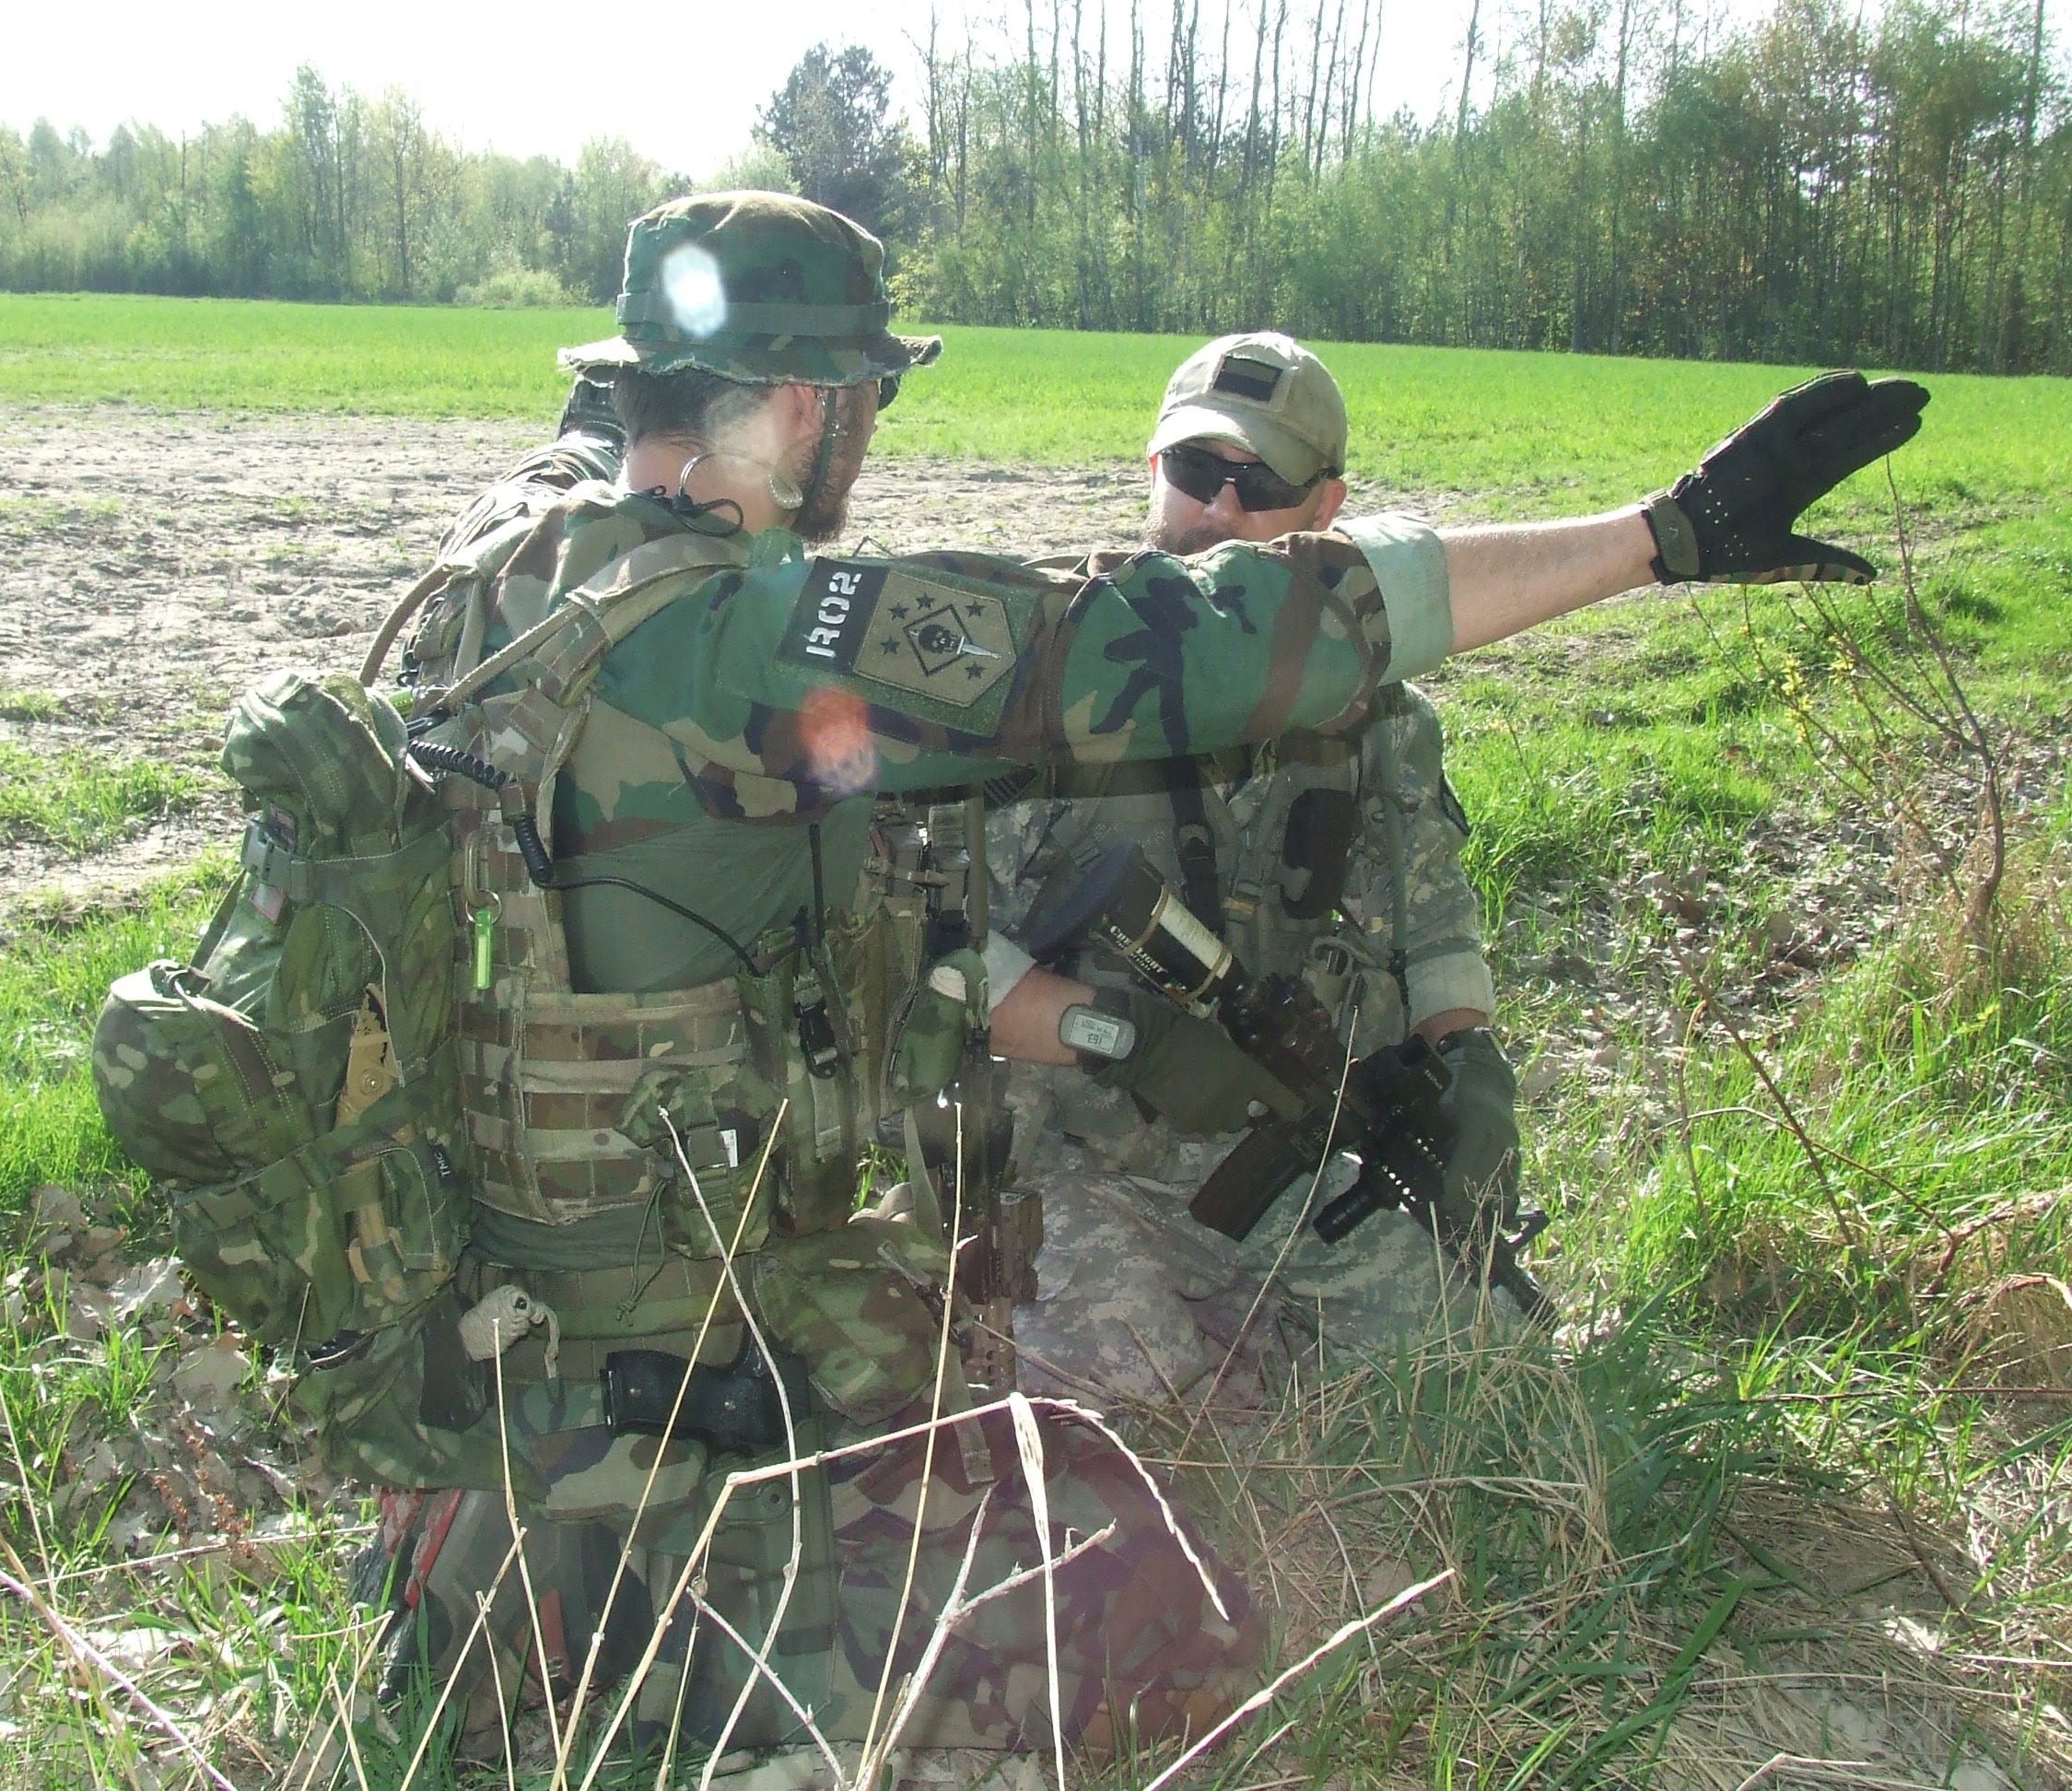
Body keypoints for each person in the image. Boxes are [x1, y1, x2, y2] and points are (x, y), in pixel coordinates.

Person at [276, 191, 1919, 1765]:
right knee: (1172, 1628)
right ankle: (709, 1678)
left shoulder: (516, 559)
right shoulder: (745, 644)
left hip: (497, 1325)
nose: (870, 434)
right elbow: (1196, 639)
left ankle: (540, 1614)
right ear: (804, 407)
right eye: (862, 399)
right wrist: (1659, 538)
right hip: (672, 1366)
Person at [984, 332, 1527, 1406]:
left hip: (1286, 1160)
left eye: (1263, 484)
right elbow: (936, 959)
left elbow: (1435, 931)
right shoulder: (1043, 686)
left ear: (1328, 505)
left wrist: (1470, 1068)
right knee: (1113, 1408)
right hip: (1079, 1160)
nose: (1220, 510)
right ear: (1153, 469)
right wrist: (1124, 1037)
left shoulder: (1380, 719)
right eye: (1196, 470)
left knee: (1482, 1370)